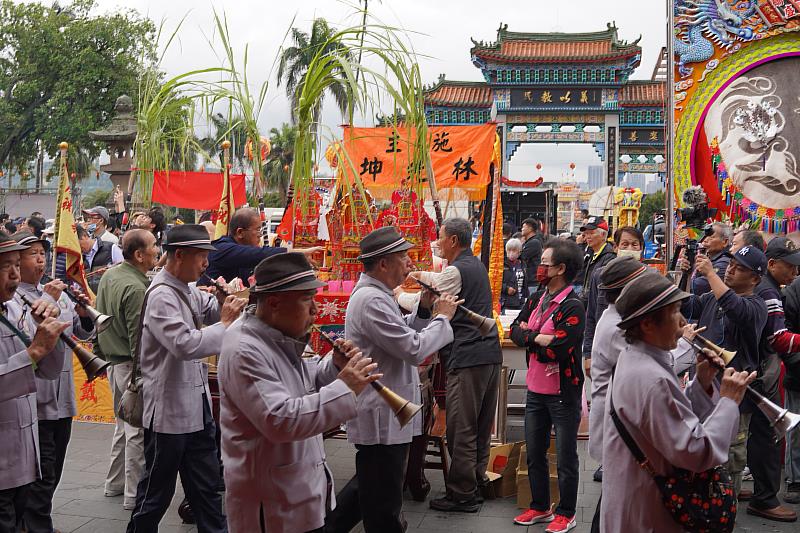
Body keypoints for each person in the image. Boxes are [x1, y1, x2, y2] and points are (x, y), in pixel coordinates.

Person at [218, 253, 381, 533]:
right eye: (307, 299)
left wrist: (335, 367)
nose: (316, 310)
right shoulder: (245, 349)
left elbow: (306, 383)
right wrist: (346, 387)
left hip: (294, 491)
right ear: (274, 303)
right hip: (271, 506)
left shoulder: (277, 335)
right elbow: (281, 420)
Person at [600, 271, 755, 532]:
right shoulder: (651, 376)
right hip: (647, 508)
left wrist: (702, 384)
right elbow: (695, 450)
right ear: (648, 324)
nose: (684, 322)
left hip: (634, 497)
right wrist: (728, 402)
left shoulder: (636, 358)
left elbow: (667, 421)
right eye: (675, 312)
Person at [328, 226, 459, 532]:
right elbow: (412, 349)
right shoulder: (371, 300)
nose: (410, 264)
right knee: (382, 502)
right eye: (403, 257)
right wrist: (443, 317)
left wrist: (425, 309)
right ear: (384, 264)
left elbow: (402, 330)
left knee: (370, 490)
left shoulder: (377, 296)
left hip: (387, 408)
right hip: (381, 411)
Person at [126, 225, 247, 533]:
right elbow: (186, 345)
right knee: (156, 494)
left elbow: (209, 311)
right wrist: (226, 320)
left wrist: (229, 300)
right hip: (168, 412)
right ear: (179, 256)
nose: (206, 264)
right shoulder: (161, 295)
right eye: (201, 257)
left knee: (206, 489)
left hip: (196, 406)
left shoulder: (187, 287)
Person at [12, 232, 94, 533]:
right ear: (15, 263)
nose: (40, 259)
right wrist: (49, 298)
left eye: (42, 253)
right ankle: (35, 525)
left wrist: (85, 314)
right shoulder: (17, 297)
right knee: (42, 472)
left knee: (55, 466)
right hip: (37, 400)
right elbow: (28, 334)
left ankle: (37, 521)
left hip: (63, 396)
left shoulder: (53, 293)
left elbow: (80, 336)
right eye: (32, 253)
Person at [426, 218, 503, 513]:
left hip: (469, 356)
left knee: (461, 428)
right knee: (481, 425)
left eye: (441, 237)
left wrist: (396, 294)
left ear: (454, 241)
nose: (438, 241)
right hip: (488, 354)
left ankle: (462, 493)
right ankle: (476, 481)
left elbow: (427, 294)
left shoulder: (457, 270)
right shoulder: (477, 265)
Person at [510, 239, 585, 533]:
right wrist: (534, 337)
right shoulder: (537, 298)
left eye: (545, 262)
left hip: (562, 394)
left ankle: (566, 511)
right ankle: (541, 506)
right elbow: (516, 329)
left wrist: (535, 338)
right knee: (534, 452)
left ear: (561, 269)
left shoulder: (572, 305)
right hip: (535, 390)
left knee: (566, 457)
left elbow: (560, 348)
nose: (539, 267)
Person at [681, 245, 768, 497]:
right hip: (705, 389)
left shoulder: (756, 305)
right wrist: (686, 275)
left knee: (729, 459)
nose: (730, 270)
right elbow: (689, 306)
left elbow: (735, 307)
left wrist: (710, 274)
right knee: (700, 448)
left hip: (736, 397)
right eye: (730, 265)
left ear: (755, 279)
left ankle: (725, 511)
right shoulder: (712, 297)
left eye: (740, 269)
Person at [0, 232, 68, 531]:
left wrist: (51, 334)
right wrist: (35, 350)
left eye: (17, 263)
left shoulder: (16, 308)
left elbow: (48, 370)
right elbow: (30, 359)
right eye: (5, 267)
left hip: (23, 457)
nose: (15, 273)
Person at [96, 229, 159, 511]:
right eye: (154, 246)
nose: (157, 250)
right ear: (139, 254)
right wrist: (141, 375)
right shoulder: (136, 287)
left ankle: (115, 484)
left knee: (123, 426)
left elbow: (99, 320)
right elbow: (138, 337)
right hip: (128, 365)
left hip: (112, 360)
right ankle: (133, 494)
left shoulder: (111, 275)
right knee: (135, 429)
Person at [738, 237, 800, 521]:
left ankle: (747, 487)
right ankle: (764, 498)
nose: (794, 272)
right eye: (790, 266)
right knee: (766, 435)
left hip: (752, 369)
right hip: (762, 371)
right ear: (771, 265)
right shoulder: (770, 293)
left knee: (751, 434)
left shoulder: (764, 288)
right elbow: (778, 339)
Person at [586, 256, 648, 486]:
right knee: (617, 497)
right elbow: (648, 368)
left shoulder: (619, 318)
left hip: (618, 419)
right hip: (615, 422)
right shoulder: (616, 327)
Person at [582, 226, 643, 379]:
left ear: (641, 248)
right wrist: (588, 354)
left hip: (639, 351)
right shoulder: (600, 275)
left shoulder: (650, 277)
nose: (630, 248)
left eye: (634, 245)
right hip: (605, 350)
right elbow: (591, 316)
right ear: (616, 247)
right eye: (625, 244)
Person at [204, 207, 319, 286]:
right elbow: (260, 254)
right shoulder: (223, 249)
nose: (260, 235)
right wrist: (296, 253)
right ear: (240, 232)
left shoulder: (246, 252)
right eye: (257, 230)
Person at [782, 248, 800, 505]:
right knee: (796, 427)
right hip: (799, 371)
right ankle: (795, 480)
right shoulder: (794, 291)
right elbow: (783, 332)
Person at [683, 222, 732, 296]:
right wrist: (687, 269)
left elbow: (698, 287)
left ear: (725, 242)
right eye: (705, 236)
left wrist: (689, 276)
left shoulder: (725, 262)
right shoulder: (707, 256)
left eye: (711, 237)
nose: (705, 240)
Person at [578, 216, 615, 299]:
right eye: (586, 233)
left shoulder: (609, 257)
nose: (588, 237)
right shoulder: (593, 254)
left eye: (591, 233)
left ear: (603, 235)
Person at [77, 225, 114, 293]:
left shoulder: (111, 248)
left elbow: (123, 271)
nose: (78, 249)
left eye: (79, 245)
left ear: (84, 236)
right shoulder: (79, 258)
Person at [502, 238, 527, 312]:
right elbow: (495, 282)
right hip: (506, 302)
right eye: (509, 250)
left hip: (520, 301)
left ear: (519, 252)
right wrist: (506, 289)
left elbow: (524, 283)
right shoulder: (502, 264)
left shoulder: (522, 264)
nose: (511, 253)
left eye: (514, 250)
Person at [520, 218, 543, 296]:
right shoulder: (529, 242)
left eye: (523, 227)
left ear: (530, 228)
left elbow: (521, 256)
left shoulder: (534, 242)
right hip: (529, 281)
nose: (521, 229)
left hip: (532, 281)